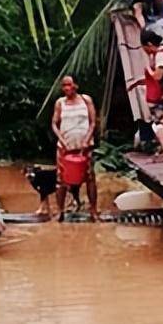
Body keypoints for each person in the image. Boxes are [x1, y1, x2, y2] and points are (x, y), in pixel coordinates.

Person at [50, 75, 99, 221]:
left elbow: (93, 122)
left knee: (89, 177)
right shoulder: (60, 103)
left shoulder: (86, 100)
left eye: (69, 85)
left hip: (84, 147)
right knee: (61, 180)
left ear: (76, 85)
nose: (66, 88)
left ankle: (93, 211)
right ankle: (60, 211)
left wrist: (87, 139)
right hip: (65, 148)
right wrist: (61, 139)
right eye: (64, 85)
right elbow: (54, 123)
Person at [126, 29, 163, 124]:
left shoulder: (160, 55)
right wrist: (136, 83)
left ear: (149, 44)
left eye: (143, 47)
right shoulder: (161, 53)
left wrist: (148, 69)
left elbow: (157, 76)